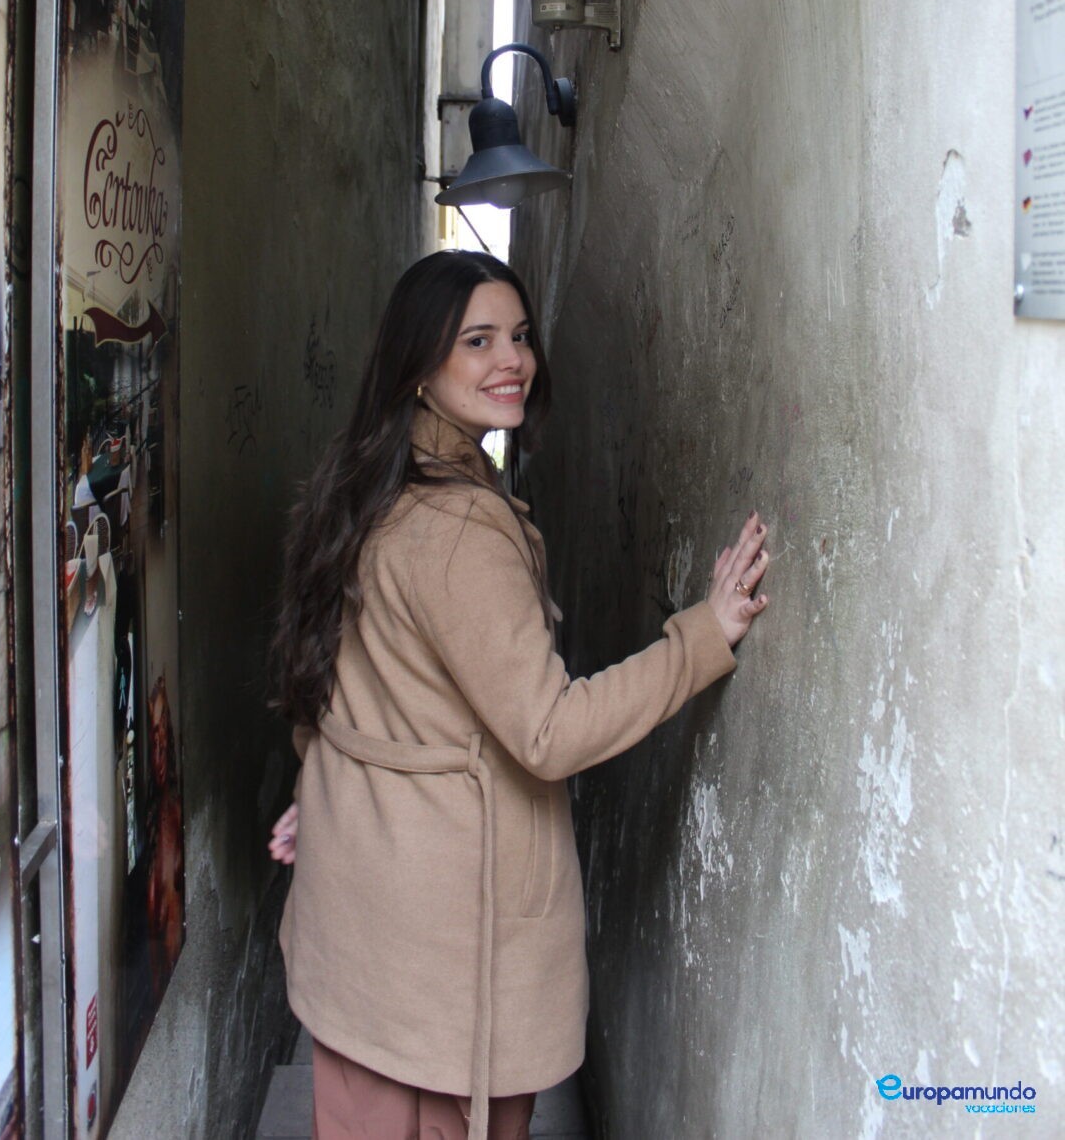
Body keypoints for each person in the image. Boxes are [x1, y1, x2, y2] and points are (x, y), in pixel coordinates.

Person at [268, 251, 770, 1140]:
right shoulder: (458, 527)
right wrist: (703, 635)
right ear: (420, 366)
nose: (514, 360)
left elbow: (336, 673)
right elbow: (548, 729)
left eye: (522, 336)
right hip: (441, 944)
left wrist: (326, 785)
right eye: (478, 340)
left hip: (363, 913)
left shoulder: (371, 483)